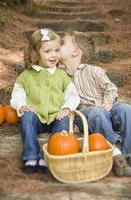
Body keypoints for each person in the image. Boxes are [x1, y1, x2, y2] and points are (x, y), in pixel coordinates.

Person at [59, 31, 131, 178]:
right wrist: (70, 120)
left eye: (62, 42)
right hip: (85, 115)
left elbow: (110, 88)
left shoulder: (93, 71)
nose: (57, 44)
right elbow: (59, 102)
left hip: (107, 108)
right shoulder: (59, 76)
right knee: (96, 112)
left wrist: (108, 103)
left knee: (126, 109)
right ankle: (116, 154)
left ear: (75, 52)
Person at [10, 29, 80, 174]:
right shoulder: (25, 76)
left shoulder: (62, 75)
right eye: (48, 51)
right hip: (36, 115)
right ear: (36, 53)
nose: (54, 55)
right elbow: (17, 94)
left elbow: (73, 95)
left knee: (64, 121)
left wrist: (67, 108)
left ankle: (46, 156)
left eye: (56, 50)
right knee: (27, 118)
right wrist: (22, 106)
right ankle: (30, 156)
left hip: (56, 116)